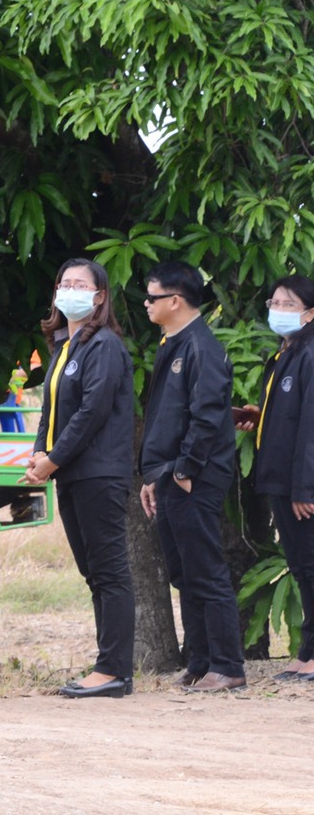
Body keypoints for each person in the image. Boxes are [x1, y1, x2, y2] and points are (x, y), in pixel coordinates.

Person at [20, 259, 136, 699]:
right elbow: (51, 410)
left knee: (109, 571)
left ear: (100, 296)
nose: (69, 290)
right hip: (72, 472)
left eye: (80, 285)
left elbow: (92, 413)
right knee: (94, 573)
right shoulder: (64, 346)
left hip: (98, 472)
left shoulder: (104, 346)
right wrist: (38, 453)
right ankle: (107, 666)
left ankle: (114, 671)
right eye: (64, 283)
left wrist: (53, 460)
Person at [139, 261, 246, 692]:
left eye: (152, 297)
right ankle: (200, 660)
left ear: (175, 300)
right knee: (183, 572)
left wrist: (184, 469)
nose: (146, 305)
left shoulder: (202, 346)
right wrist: (154, 475)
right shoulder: (173, 343)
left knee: (205, 570)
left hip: (194, 476)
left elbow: (207, 417)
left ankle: (228, 665)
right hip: (169, 474)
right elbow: (167, 418)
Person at [239, 277, 314, 681]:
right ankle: (306, 651)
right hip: (278, 477)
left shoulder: (310, 353)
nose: (278, 309)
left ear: (310, 313)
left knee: (311, 566)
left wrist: (306, 487)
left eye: (288, 303)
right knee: (303, 567)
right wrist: (260, 415)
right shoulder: (287, 352)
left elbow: (311, 427)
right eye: (275, 301)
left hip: (297, 484)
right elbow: (288, 414)